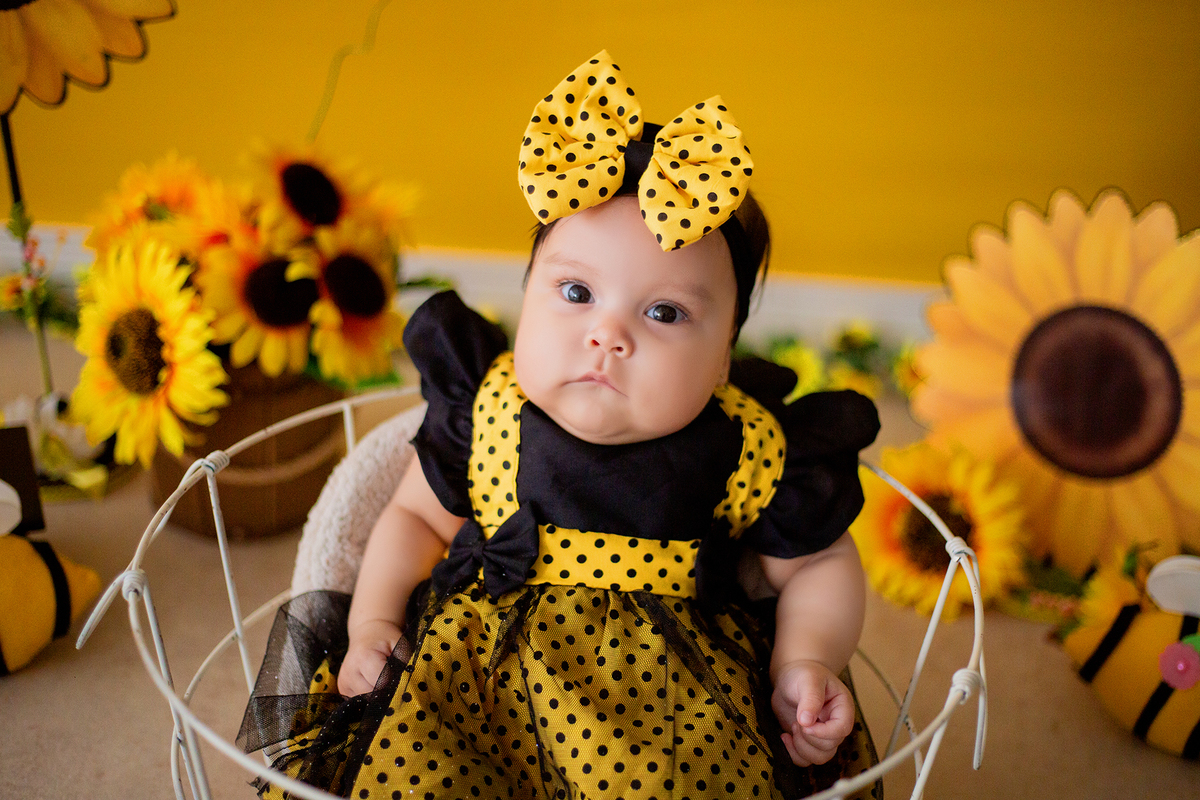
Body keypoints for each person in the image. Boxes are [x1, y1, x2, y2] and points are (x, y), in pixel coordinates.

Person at [240, 51, 881, 800]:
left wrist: (805, 660)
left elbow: (817, 562)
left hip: (668, 708)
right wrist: (374, 621)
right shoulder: (489, 409)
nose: (608, 336)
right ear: (525, 301)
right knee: (415, 775)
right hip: (472, 680)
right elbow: (415, 516)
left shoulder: (746, 443)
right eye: (576, 291)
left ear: (722, 361)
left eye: (665, 312)